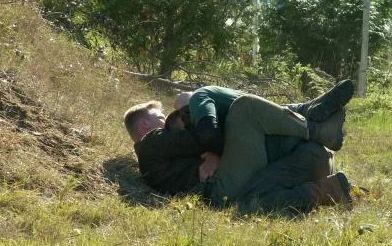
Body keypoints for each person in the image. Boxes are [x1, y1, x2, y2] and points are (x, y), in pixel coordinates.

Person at [124, 81, 355, 215]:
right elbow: (201, 137)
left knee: (300, 151)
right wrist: (213, 151)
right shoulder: (150, 144)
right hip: (219, 188)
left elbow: (200, 141)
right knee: (244, 109)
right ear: (145, 124)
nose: (165, 121)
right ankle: (312, 124)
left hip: (229, 181)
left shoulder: (156, 155)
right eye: (160, 117)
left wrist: (214, 153)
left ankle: (327, 184)